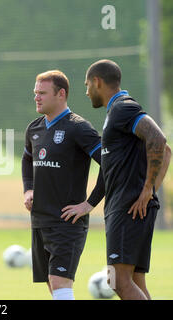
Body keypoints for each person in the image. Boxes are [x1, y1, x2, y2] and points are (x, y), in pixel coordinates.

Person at [85, 59, 171, 300]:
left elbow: (159, 140)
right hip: (129, 207)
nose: (87, 91)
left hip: (127, 208)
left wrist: (147, 190)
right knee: (133, 281)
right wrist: (149, 190)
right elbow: (166, 152)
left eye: (87, 85)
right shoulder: (116, 111)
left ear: (97, 82)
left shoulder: (123, 107)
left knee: (117, 281)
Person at [22, 70, 105, 300]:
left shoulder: (79, 128)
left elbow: (110, 165)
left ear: (61, 94)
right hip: (40, 219)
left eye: (42, 93)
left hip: (68, 221)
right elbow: (27, 159)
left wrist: (89, 204)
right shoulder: (34, 128)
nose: (37, 97)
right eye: (35, 93)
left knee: (60, 282)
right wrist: (28, 189)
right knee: (53, 284)